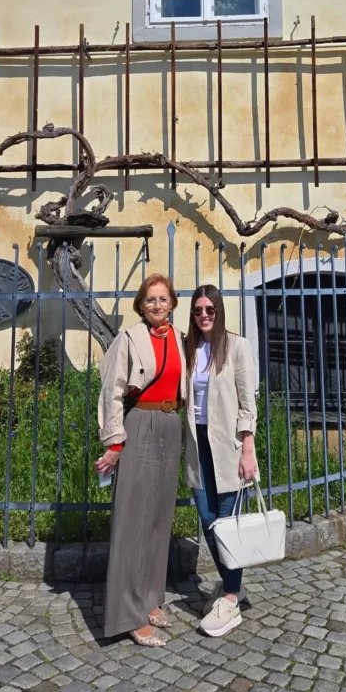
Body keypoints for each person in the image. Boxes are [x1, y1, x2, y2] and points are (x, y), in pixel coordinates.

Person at [95, 274, 186, 647]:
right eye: (150, 299)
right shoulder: (129, 338)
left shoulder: (180, 339)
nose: (157, 305)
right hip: (140, 424)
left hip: (171, 423)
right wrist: (114, 443)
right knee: (132, 521)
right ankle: (128, 615)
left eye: (163, 299)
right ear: (141, 304)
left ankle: (150, 599)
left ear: (172, 303)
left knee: (158, 520)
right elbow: (111, 390)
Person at [184, 284, 258, 638]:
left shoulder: (237, 347)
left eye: (209, 310)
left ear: (219, 310)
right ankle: (233, 586)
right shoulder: (189, 348)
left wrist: (248, 448)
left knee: (228, 524)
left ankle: (229, 596)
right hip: (197, 444)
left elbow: (248, 403)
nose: (204, 315)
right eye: (198, 310)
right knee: (209, 519)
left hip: (228, 444)